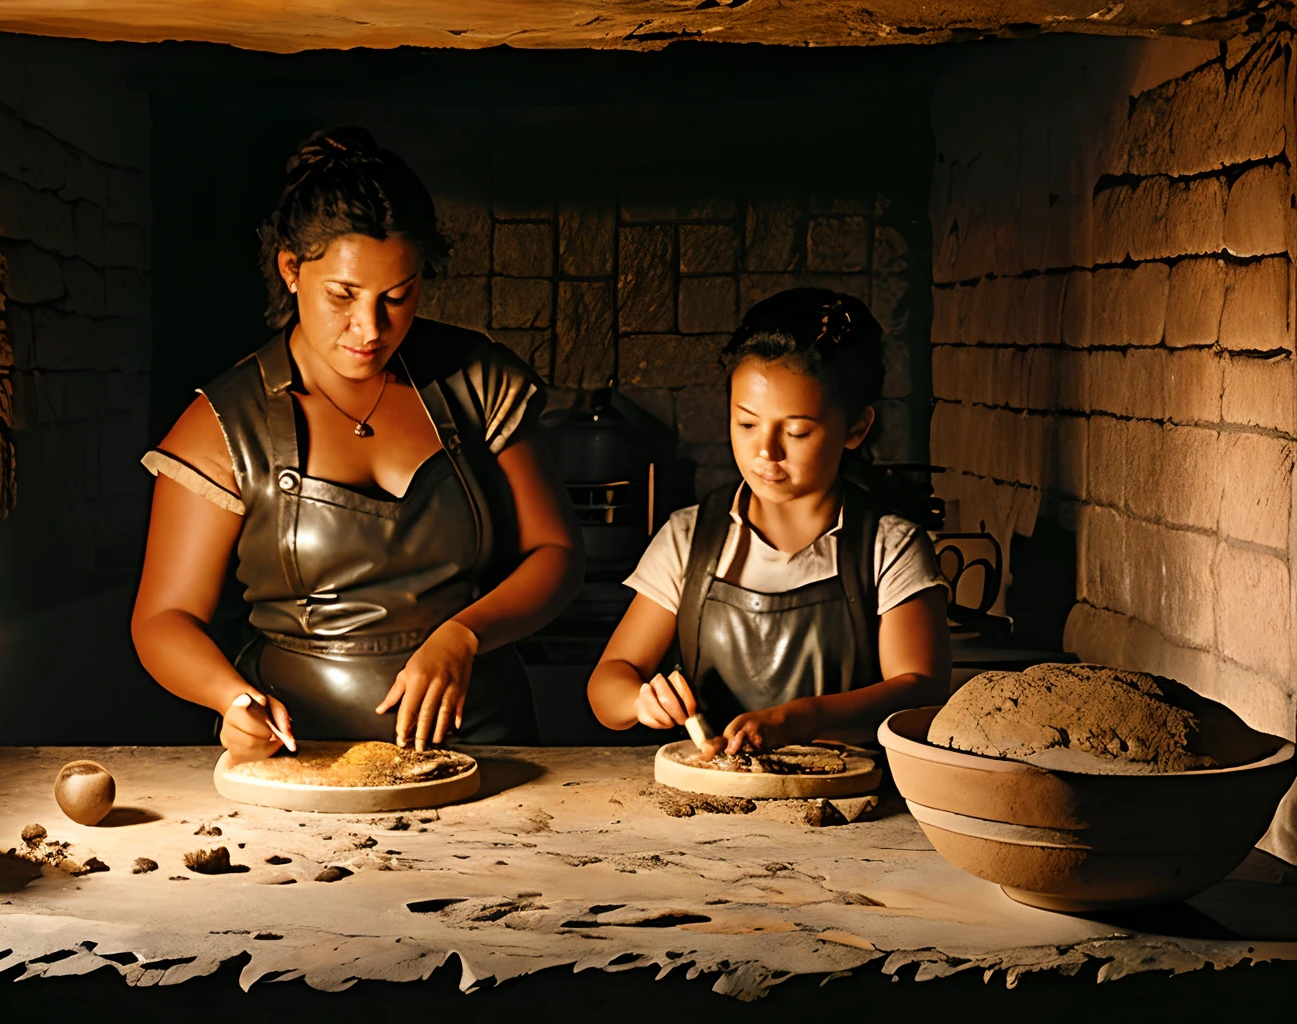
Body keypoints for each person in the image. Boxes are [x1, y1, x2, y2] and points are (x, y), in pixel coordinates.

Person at [132, 127, 583, 759]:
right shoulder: (224, 422)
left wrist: (464, 635)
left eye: (398, 297)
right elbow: (163, 619)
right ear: (291, 269)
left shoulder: (477, 380)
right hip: (301, 752)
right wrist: (229, 697)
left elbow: (556, 551)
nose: (370, 329)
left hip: (485, 744)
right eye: (341, 296)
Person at [586, 288, 949, 756]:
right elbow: (609, 680)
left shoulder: (889, 546)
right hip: (713, 807)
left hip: (850, 808)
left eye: (796, 431)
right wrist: (639, 700)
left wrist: (800, 719)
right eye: (746, 424)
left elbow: (921, 691)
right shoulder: (689, 538)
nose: (766, 452)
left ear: (856, 429)